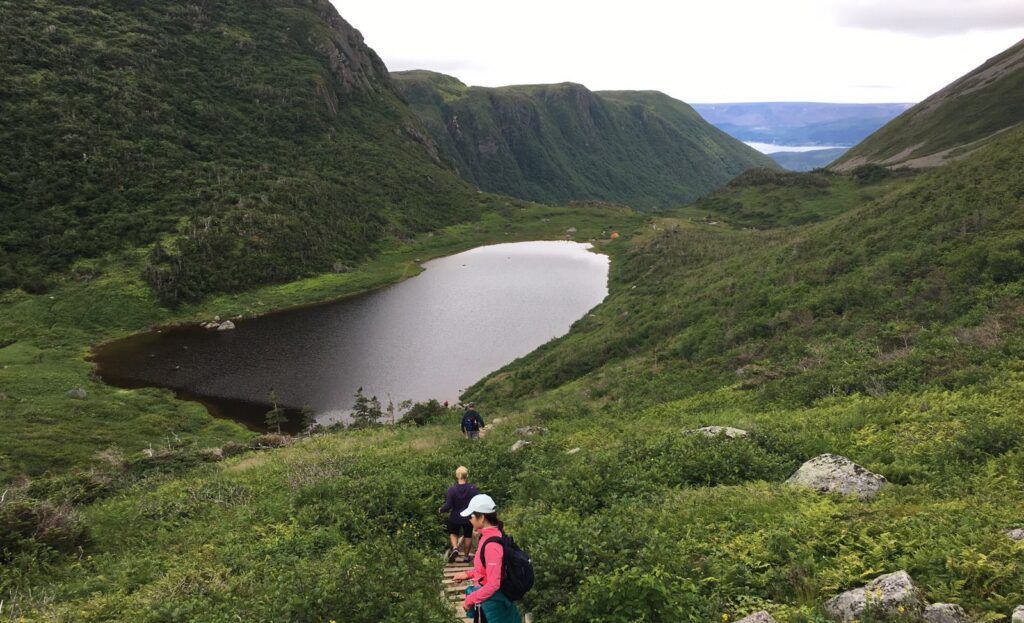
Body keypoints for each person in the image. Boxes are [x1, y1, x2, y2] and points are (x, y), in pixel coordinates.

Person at [452, 494, 521, 623]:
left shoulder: (492, 545)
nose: (469, 520)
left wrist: (469, 600)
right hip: (488, 602)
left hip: (490, 606)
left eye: (471, 516)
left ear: (482, 517)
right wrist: (467, 574)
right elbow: (487, 569)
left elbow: (493, 584)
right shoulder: (489, 536)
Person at [439, 466, 479, 562]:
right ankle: (466, 556)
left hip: (455, 517)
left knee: (453, 533)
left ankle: (455, 548)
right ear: (467, 476)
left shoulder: (452, 490)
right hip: (468, 517)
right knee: (468, 535)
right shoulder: (473, 488)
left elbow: (448, 505)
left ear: (457, 476)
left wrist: (441, 510)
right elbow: (477, 502)